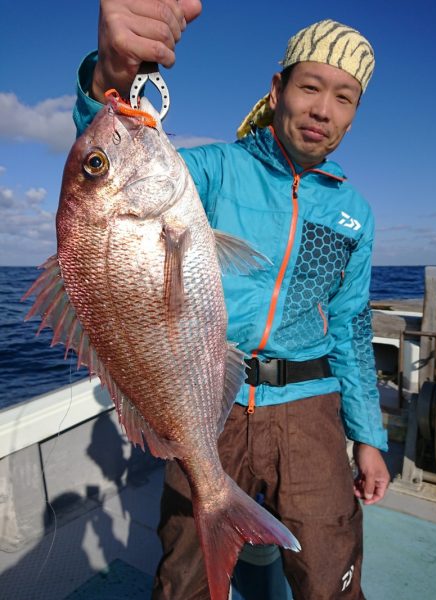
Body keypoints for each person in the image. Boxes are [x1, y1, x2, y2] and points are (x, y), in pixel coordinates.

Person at [73, 2, 390, 598]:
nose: (323, 108)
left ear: (354, 114)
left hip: (311, 407)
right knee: (185, 572)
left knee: (329, 568)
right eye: (310, 86)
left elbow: (350, 325)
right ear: (277, 89)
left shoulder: (356, 214)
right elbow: (109, 180)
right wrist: (112, 78)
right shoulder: (215, 169)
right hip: (208, 395)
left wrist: (368, 437)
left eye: (344, 97)